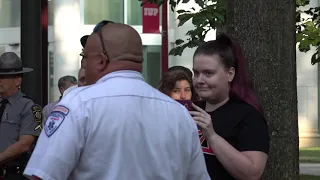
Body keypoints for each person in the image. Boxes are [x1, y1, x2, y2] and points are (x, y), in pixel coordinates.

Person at [24, 21, 210, 180]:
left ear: (101, 61)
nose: (84, 65)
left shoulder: (78, 104)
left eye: (85, 58)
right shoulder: (179, 115)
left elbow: (43, 175)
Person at [190, 34, 269, 179]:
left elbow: (252, 174)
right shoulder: (189, 111)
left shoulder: (248, 116)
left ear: (230, 74)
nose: (199, 80)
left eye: (208, 73)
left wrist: (212, 136)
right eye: (196, 73)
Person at [0, 52, 42, 180]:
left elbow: (25, 144)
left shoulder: (30, 108)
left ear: (18, 80)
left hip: (13, 175)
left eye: (3, 77)